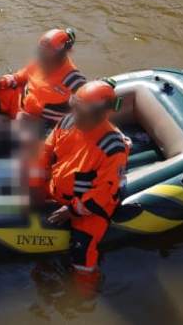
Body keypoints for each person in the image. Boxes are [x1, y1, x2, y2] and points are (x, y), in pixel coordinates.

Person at [36, 79, 129, 294]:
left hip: (89, 205)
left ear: (99, 113)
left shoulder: (112, 147)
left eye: (81, 111)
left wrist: (72, 210)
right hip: (57, 187)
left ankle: (84, 290)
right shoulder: (68, 122)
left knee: (82, 249)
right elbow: (46, 152)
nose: (75, 114)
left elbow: (104, 192)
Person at [0, 28, 85, 127]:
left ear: (63, 54)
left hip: (38, 123)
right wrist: (2, 82)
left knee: (20, 145)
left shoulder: (74, 80)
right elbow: (20, 77)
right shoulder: (40, 62)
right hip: (17, 101)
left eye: (47, 53)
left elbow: (84, 111)